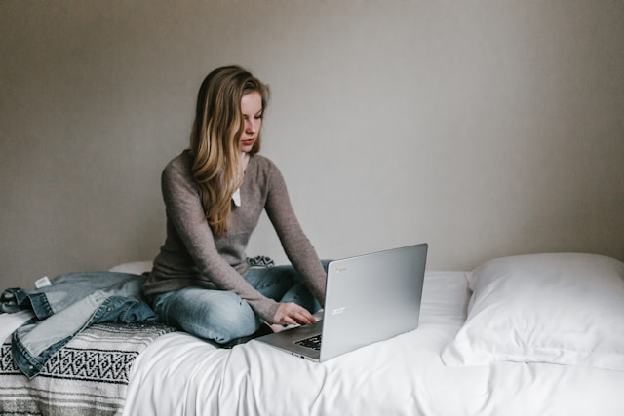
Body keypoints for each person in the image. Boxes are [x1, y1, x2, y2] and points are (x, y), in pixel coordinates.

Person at [142, 65, 327, 347]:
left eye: (257, 116)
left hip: (241, 278)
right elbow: (207, 260)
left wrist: (334, 304)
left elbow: (296, 242)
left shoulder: (265, 171)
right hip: (183, 287)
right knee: (229, 317)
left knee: (332, 273)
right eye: (241, 119)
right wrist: (269, 308)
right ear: (216, 119)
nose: (252, 128)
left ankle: (282, 322)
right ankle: (272, 317)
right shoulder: (178, 174)